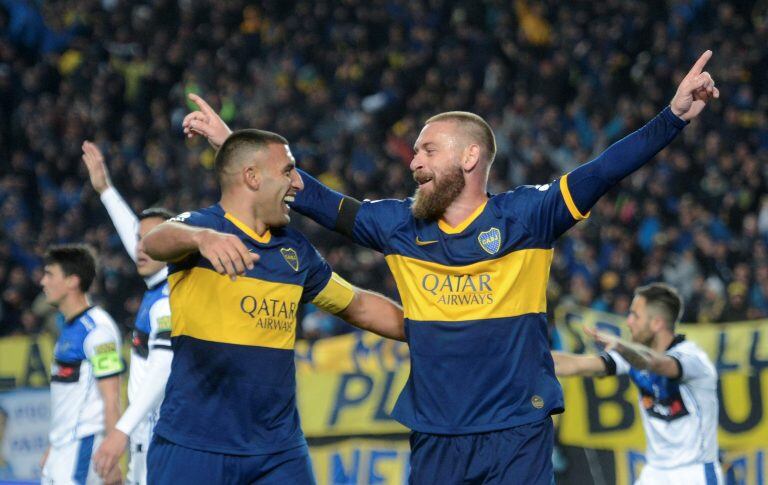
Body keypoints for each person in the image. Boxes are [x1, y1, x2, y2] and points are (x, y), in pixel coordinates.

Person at [182, 51, 718, 484]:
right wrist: (236, 147)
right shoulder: (398, 227)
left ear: (469, 158)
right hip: (436, 434)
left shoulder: (528, 217)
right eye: (414, 152)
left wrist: (671, 119)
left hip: (517, 430)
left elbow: (604, 170)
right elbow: (314, 197)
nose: (413, 161)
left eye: (427, 150)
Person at [141, 129, 405, 484]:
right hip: (195, 445)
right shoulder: (203, 229)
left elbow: (356, 305)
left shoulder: (294, 251)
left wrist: (432, 329)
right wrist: (200, 239)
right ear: (251, 177)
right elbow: (155, 241)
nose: (297, 182)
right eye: (287, 170)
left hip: (277, 451)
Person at [552, 283, 721, 484]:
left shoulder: (693, 359)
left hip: (694, 472)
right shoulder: (632, 354)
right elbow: (579, 365)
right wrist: (526, 361)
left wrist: (623, 348)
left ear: (657, 323)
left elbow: (655, 363)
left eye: (635, 315)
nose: (629, 322)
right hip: (655, 471)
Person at [81, 141, 175, 485]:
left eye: (152, 240)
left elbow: (162, 370)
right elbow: (140, 238)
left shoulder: (168, 301)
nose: (140, 247)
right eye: (138, 239)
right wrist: (105, 190)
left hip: (157, 432)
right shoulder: (158, 284)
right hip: (145, 433)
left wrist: (121, 429)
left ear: (174, 245)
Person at [39, 244, 125, 485]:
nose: (42, 282)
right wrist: (53, 446)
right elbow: (66, 398)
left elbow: (111, 399)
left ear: (72, 281)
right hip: (61, 450)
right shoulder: (68, 328)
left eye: (49, 274)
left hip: (82, 450)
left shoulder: (98, 331)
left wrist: (113, 459)